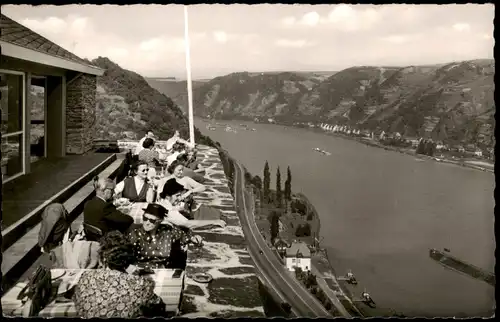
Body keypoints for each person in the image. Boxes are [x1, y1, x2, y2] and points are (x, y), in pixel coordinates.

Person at [73, 231, 166, 318]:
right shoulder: (141, 284)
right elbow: (159, 308)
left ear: (103, 258)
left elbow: (77, 302)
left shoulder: (86, 278)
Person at [127, 203, 202, 269]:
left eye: (152, 220)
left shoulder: (168, 231)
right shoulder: (135, 235)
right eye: (145, 218)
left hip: (165, 270)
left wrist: (195, 238)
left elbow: (187, 237)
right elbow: (123, 257)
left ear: (160, 221)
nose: (147, 223)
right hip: (142, 271)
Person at [157, 179, 226, 230]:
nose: (180, 198)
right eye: (177, 195)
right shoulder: (168, 210)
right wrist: (214, 222)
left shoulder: (164, 203)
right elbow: (188, 224)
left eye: (180, 195)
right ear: (168, 196)